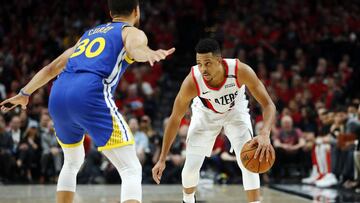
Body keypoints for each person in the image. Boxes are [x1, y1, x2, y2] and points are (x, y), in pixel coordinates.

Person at [1, 0, 175, 202]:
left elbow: (53, 67)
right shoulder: (131, 31)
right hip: (88, 93)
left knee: (72, 161)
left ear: (111, 13)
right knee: (131, 168)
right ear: (137, 11)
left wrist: (24, 93)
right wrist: (149, 54)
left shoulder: (89, 34)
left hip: (58, 95)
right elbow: (136, 49)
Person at [152, 38, 276, 203]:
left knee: (248, 161)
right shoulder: (192, 81)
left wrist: (265, 133)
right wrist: (162, 158)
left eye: (208, 63)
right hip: (205, 114)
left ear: (219, 60)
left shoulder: (240, 70)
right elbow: (175, 118)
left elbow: (268, 104)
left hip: (235, 113)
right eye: (199, 63)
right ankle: (188, 200)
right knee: (190, 168)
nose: (203, 69)